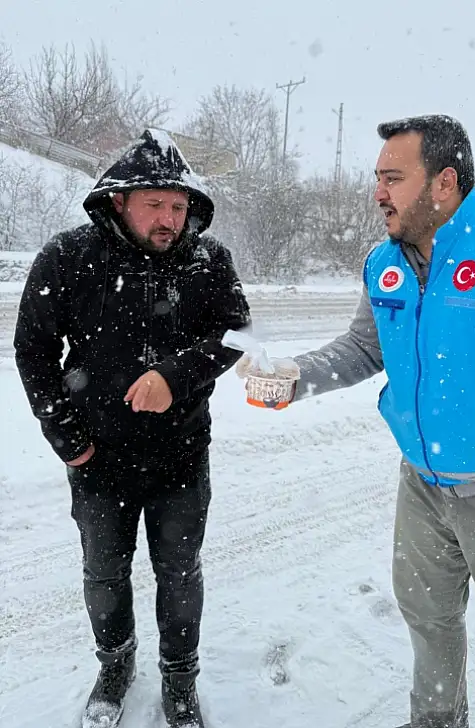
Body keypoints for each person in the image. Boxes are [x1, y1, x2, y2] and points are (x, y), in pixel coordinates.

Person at [236, 114, 475, 728]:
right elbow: (363, 348)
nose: (377, 192)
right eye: (377, 177)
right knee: (429, 621)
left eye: (392, 178)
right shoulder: (384, 262)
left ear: (444, 183)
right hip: (422, 484)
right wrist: (295, 376)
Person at [13, 128, 251, 728]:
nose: (171, 218)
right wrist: (67, 438)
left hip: (181, 455)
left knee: (179, 573)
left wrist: (176, 374)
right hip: (99, 459)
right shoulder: (68, 258)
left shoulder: (207, 259)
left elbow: (235, 333)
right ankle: (115, 664)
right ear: (119, 200)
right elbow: (34, 351)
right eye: (156, 204)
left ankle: (180, 680)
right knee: (104, 573)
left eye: (179, 205)